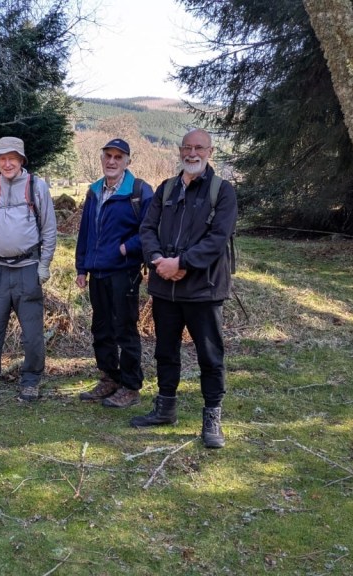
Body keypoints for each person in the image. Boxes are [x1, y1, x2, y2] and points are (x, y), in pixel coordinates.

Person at [134, 129, 237, 448]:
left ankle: (212, 418)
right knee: (165, 351)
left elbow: (218, 239)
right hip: (165, 289)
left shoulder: (223, 192)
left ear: (210, 152)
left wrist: (181, 263)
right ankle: (165, 408)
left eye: (199, 148)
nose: (192, 154)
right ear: (180, 151)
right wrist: (158, 261)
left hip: (204, 290)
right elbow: (147, 229)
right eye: (187, 148)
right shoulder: (166, 189)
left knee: (210, 356)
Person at [0, 136, 58, 401]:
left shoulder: (36, 187)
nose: (7, 164)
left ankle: (31, 380)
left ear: (21, 160)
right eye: (2, 159)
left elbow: (49, 229)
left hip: (28, 269)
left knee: (32, 334)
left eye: (12, 158)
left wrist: (44, 265)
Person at [75, 138, 154, 408]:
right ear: (101, 159)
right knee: (101, 329)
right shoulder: (94, 191)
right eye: (108, 156)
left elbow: (150, 229)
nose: (112, 161)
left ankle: (131, 386)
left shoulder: (139, 191)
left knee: (125, 330)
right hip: (97, 272)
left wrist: (126, 248)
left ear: (127, 161)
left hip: (124, 271)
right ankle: (110, 378)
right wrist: (81, 267)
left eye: (118, 157)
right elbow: (86, 231)